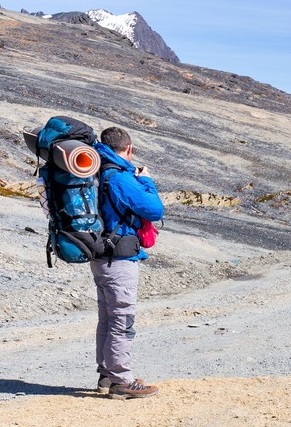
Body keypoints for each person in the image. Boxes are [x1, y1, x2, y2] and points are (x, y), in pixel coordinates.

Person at [91, 127, 164, 399]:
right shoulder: (119, 177)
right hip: (119, 258)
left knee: (107, 319)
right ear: (129, 149)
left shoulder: (97, 172)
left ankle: (106, 375)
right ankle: (121, 379)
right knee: (122, 318)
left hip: (101, 256)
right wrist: (147, 181)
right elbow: (154, 209)